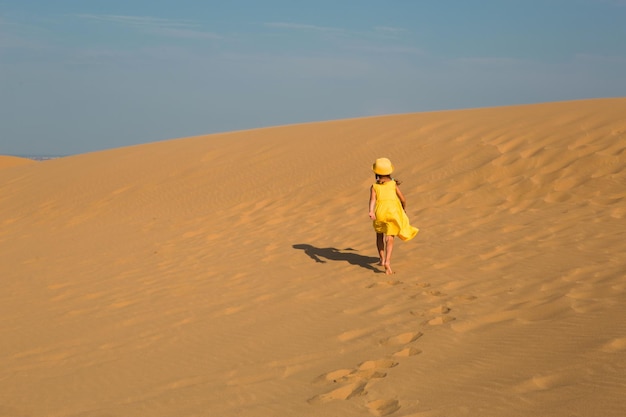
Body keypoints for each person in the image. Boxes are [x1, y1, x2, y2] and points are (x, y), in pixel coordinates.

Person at [368, 158, 419, 274]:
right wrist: (404, 208)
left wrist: (371, 211)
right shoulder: (393, 184)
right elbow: (403, 199)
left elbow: (372, 200)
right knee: (389, 238)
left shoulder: (374, 186)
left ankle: (381, 260)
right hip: (392, 212)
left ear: (376, 173)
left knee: (379, 236)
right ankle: (387, 261)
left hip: (380, 212)